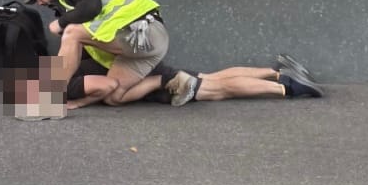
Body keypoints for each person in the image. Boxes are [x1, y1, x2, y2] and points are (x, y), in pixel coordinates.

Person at [20, 0, 170, 107]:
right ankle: (164, 80)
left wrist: (61, 23)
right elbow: (79, 51)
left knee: (72, 32)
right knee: (113, 96)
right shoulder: (70, 6)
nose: (38, 3)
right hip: (143, 47)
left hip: (145, 31)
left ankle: (49, 99)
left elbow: (91, 7)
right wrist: (78, 102)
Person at [65, 52, 324, 111]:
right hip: (152, 68)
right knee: (213, 77)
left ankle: (290, 87)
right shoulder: (65, 62)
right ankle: (276, 72)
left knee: (220, 90)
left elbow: (107, 86)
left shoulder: (63, 85)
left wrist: (79, 101)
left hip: (160, 82)